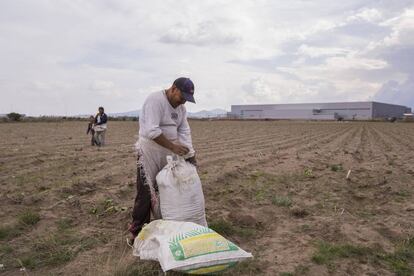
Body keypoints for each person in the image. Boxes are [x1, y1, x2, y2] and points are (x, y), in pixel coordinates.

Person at [128, 77, 197, 245]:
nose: (183, 102)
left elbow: (184, 131)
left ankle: (167, 226)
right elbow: (151, 130)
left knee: (169, 189)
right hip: (150, 151)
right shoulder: (155, 100)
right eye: (182, 97)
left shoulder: (181, 109)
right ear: (173, 89)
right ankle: (136, 233)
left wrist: (191, 155)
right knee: (146, 192)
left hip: (168, 153)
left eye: (187, 100)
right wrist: (173, 147)